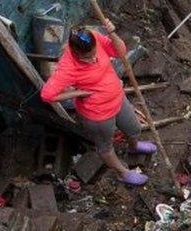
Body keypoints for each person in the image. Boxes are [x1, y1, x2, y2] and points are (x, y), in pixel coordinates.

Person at [40, 21, 157, 186]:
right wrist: (79, 93)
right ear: (75, 52)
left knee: (134, 128)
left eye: (94, 53)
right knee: (105, 147)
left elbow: (119, 52)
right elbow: (47, 95)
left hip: (118, 98)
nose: (93, 58)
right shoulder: (67, 68)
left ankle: (134, 145)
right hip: (98, 115)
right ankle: (123, 173)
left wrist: (112, 33)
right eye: (87, 57)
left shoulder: (94, 37)